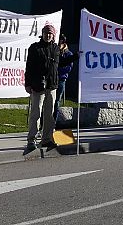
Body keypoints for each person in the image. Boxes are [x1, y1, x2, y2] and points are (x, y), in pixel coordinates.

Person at [24, 24, 60, 153]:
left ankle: (47, 139)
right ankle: (31, 140)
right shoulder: (34, 48)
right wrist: (27, 84)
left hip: (52, 86)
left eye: (50, 33)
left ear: (53, 35)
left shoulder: (56, 48)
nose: (48, 35)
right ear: (42, 34)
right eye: (46, 33)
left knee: (49, 115)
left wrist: (77, 56)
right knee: (36, 113)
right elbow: (29, 67)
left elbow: (60, 64)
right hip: (37, 85)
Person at [53, 34, 74, 124]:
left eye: (61, 42)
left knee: (57, 101)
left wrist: (57, 71)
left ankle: (53, 122)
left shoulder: (68, 54)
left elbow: (68, 67)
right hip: (51, 79)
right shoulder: (53, 51)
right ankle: (44, 124)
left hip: (61, 80)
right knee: (48, 101)